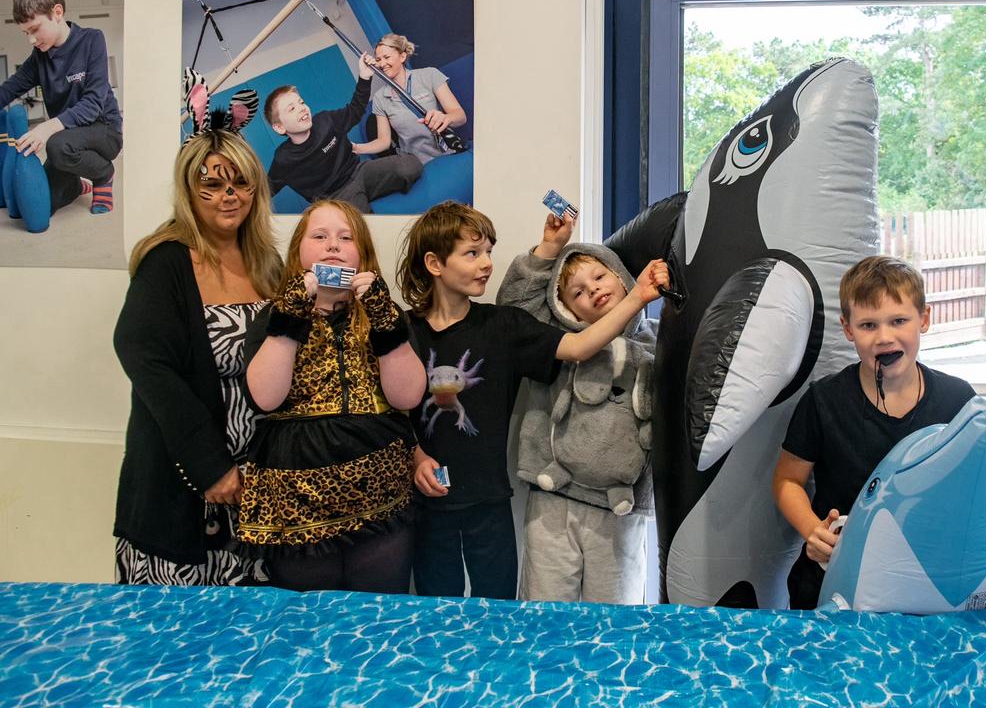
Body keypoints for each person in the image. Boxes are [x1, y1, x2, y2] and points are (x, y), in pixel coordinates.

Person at [396, 200, 669, 600]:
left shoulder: (502, 326)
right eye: (472, 253)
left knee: (501, 613)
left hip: (489, 503)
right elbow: (389, 409)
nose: (487, 263)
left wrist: (637, 297)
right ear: (435, 264)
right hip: (425, 506)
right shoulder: (402, 330)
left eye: (488, 251)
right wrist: (416, 456)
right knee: (437, 609)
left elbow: (577, 346)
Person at [112, 127, 280, 585]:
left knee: (248, 645)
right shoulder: (165, 260)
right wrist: (211, 465)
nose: (229, 196)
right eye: (213, 185)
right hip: (185, 486)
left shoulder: (268, 264)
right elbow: (147, 362)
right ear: (189, 191)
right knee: (171, 645)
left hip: (256, 494)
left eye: (240, 183)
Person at [236, 200, 426, 593]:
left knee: (377, 619)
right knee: (305, 623)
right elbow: (265, 398)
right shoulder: (272, 316)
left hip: (380, 497)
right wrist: (289, 316)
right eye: (319, 236)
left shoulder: (385, 314)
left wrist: (383, 318)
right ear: (298, 252)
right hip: (296, 503)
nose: (333, 246)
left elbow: (407, 396)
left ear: (362, 254)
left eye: (345, 238)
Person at [772, 255, 977, 610]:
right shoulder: (823, 401)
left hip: (922, 586)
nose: (884, 337)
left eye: (898, 320)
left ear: (924, 320)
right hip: (829, 583)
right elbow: (787, 481)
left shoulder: (958, 400)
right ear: (849, 329)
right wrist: (813, 530)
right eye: (868, 325)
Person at [497, 212, 656, 604]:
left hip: (621, 507)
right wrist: (548, 249)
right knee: (545, 614)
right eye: (578, 293)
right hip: (554, 496)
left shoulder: (659, 345)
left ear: (621, 277)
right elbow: (513, 309)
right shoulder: (556, 342)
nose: (593, 291)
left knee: (615, 623)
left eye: (599, 278)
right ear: (565, 309)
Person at [0, 0, 122, 215]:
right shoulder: (38, 59)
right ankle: (76, 185)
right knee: (40, 202)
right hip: (67, 139)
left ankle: (103, 174)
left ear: (57, 12)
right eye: (26, 33)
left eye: (35, 29)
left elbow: (94, 103)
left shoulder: (92, 40)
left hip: (104, 131)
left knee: (56, 145)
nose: (31, 39)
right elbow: (10, 88)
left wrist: (45, 128)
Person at [264, 53, 419, 213]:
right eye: (292, 108)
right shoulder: (283, 159)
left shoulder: (325, 121)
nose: (302, 107)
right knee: (362, 225)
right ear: (280, 127)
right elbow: (265, 189)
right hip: (337, 197)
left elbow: (355, 110)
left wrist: (364, 77)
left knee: (410, 165)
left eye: (301, 102)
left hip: (360, 172)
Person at [352, 33, 466, 173]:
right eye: (378, 59)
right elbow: (384, 141)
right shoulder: (380, 98)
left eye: (387, 57)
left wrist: (445, 118)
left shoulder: (429, 75)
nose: (382, 64)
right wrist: (357, 148)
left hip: (448, 155)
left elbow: (460, 116)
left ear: (402, 56)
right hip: (416, 168)